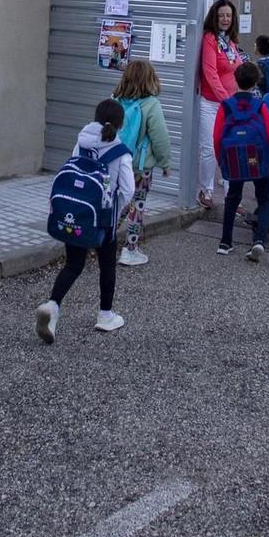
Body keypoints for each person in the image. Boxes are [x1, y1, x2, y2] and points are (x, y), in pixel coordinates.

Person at [36, 99, 135, 341]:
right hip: (103, 219)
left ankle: (53, 304)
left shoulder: (81, 143)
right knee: (107, 265)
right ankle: (105, 315)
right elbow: (129, 189)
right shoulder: (120, 152)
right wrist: (115, 207)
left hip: (78, 216)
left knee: (73, 264)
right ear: (120, 125)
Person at [214, 62, 269, 262]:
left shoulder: (226, 106)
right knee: (264, 198)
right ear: (255, 82)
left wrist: (221, 160)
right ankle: (259, 240)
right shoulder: (260, 106)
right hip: (257, 157)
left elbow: (217, 137)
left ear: (235, 80)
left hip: (234, 157)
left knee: (233, 197)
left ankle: (225, 242)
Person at [111, 59, 172, 267]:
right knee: (137, 205)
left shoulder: (114, 99)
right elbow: (160, 136)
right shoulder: (151, 104)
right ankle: (130, 250)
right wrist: (165, 162)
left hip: (116, 161)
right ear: (150, 78)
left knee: (119, 201)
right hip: (140, 166)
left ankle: (105, 239)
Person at [195, 0, 245, 211]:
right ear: (214, 17)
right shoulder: (210, 39)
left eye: (228, 15)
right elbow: (210, 72)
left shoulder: (231, 42)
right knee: (209, 149)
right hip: (211, 103)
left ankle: (231, 194)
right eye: (221, 15)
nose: (225, 19)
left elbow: (237, 69)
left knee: (230, 148)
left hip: (231, 104)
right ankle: (205, 190)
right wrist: (226, 99)